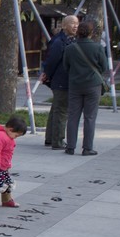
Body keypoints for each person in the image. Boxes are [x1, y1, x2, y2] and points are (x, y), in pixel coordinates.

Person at [63, 18, 107, 156]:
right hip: (93, 85)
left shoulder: (70, 48)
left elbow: (66, 67)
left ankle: (70, 146)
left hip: (75, 85)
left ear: (78, 33)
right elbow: (103, 67)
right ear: (91, 33)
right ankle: (87, 148)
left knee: (73, 116)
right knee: (90, 117)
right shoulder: (98, 47)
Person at [40, 15, 78, 150]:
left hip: (62, 80)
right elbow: (51, 61)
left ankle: (50, 138)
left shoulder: (69, 40)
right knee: (61, 111)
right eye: (72, 23)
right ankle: (58, 141)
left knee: (56, 109)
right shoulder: (59, 42)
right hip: (62, 81)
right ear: (64, 26)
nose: (75, 26)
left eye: (77, 24)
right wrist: (47, 75)